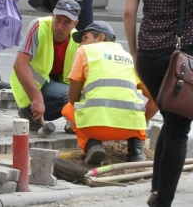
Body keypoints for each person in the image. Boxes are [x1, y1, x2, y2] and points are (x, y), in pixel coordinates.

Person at [124, 0, 193, 205]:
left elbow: (129, 11)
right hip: (181, 58)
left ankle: (156, 188)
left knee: (171, 120)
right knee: (178, 129)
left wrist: (134, 53)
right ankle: (163, 200)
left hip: (149, 55)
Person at [62, 21, 158, 165]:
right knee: (135, 110)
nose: (81, 44)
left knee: (69, 108)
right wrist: (140, 121)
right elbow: (155, 98)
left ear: (100, 37)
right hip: (129, 128)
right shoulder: (128, 57)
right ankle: (136, 150)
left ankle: (92, 145)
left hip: (96, 128)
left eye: (85, 39)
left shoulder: (84, 52)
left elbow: (73, 97)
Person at [10, 0, 80, 131]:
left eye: (67, 23)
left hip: (54, 83)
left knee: (80, 93)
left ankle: (70, 121)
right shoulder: (39, 26)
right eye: (57, 19)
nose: (60, 26)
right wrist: (36, 98)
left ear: (75, 24)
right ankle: (29, 111)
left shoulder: (77, 39)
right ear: (52, 15)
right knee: (69, 95)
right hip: (31, 86)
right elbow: (19, 65)